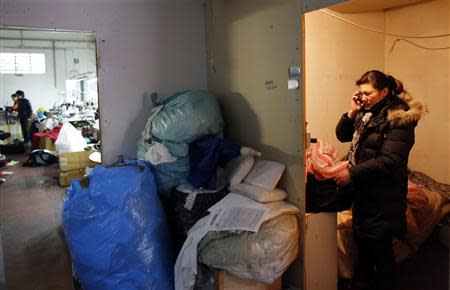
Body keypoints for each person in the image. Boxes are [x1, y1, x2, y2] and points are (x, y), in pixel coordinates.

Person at [334, 70, 426, 290]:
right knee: (364, 242)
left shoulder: (399, 116)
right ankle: (364, 280)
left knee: (380, 248)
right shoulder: (368, 111)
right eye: (360, 93)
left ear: (384, 91)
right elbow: (343, 136)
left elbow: (391, 159)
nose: (363, 97)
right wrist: (352, 111)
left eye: (368, 93)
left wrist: (351, 173)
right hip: (365, 190)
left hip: (384, 194)